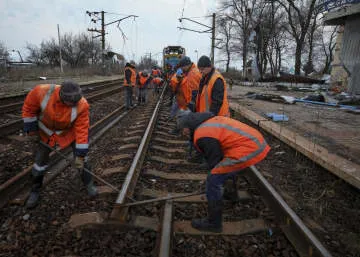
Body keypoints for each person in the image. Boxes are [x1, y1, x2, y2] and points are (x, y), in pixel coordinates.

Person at [177, 110, 270, 233]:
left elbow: (215, 162)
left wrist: (213, 185)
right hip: (254, 141)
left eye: (182, 130)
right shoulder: (208, 123)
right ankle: (231, 195)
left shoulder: (203, 135)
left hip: (250, 147)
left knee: (214, 179)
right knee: (225, 167)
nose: (182, 134)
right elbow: (221, 158)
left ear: (188, 127)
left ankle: (214, 223)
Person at [22, 81, 97, 209]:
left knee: (82, 159)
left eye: (77, 101)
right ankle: (35, 190)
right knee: (40, 162)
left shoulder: (82, 105)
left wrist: (80, 154)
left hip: (68, 132)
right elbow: (29, 108)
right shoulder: (41, 92)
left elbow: (82, 130)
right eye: (71, 102)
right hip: (46, 132)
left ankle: (89, 184)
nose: (75, 104)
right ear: (63, 97)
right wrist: (32, 131)